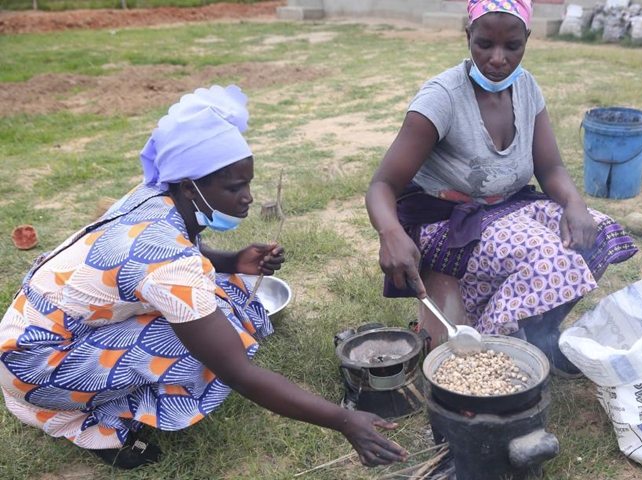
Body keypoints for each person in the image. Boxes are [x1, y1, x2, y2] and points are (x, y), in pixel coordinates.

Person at [0, 85, 407, 470]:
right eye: (235, 187)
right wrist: (343, 420)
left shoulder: (153, 194)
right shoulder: (170, 262)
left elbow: (174, 258)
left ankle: (103, 390)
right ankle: (92, 425)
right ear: (191, 187)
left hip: (31, 336)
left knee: (225, 295)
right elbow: (237, 372)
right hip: (34, 365)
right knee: (197, 344)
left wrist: (233, 260)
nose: (248, 196)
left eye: (247, 182)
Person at [365, 0, 638, 378]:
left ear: (526, 39)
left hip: (506, 208)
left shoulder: (526, 88)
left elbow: (551, 167)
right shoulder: (442, 97)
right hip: (446, 223)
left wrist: (576, 204)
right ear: (468, 37)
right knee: (549, 260)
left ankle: (535, 335)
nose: (497, 59)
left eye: (511, 46)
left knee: (596, 232)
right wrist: (390, 232)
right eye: (484, 45)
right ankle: (484, 354)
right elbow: (382, 184)